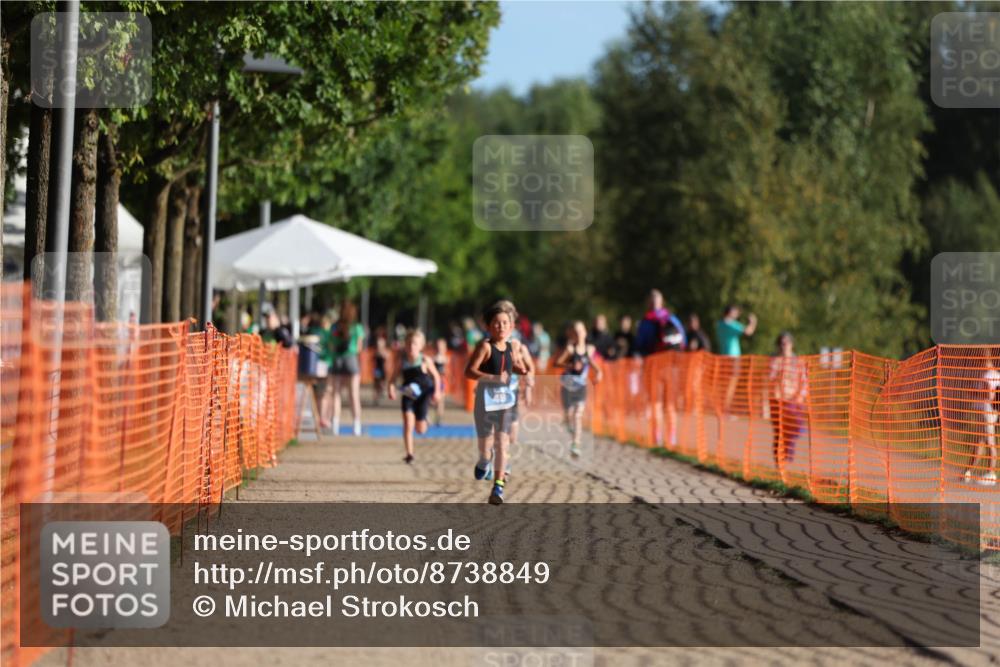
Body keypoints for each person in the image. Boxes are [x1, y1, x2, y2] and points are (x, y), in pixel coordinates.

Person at [464, 300, 529, 505]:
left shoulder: (512, 347)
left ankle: (498, 485)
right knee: (486, 444)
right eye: (496, 323)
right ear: (488, 326)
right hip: (485, 400)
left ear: (511, 327)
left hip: (505, 402)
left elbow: (514, 366)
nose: (501, 326)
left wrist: (522, 370)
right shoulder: (485, 347)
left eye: (505, 323)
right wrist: (493, 378)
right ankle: (484, 460)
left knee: (503, 442)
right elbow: (469, 371)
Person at [388, 330, 442, 464]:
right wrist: (391, 389)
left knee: (420, 430)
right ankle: (409, 454)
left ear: (420, 346)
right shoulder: (402, 362)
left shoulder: (425, 360)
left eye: (415, 344)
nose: (411, 346)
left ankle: (424, 419)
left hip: (423, 396)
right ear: (405, 345)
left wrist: (437, 392)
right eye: (409, 343)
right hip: (408, 395)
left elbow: (436, 377)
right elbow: (392, 379)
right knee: (407, 424)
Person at [555, 320, 603, 457]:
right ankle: (569, 424)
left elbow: (593, 364)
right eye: (576, 332)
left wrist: (599, 373)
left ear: (585, 332)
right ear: (572, 334)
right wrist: (569, 366)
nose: (579, 334)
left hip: (581, 386)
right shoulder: (570, 349)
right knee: (569, 414)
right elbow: (557, 363)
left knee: (578, 415)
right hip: (568, 385)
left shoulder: (589, 349)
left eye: (581, 331)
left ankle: (576, 444)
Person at [768, 332, 807, 472]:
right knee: (779, 432)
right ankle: (780, 462)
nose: (784, 346)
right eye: (782, 343)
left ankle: (787, 453)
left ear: (792, 344)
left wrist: (800, 396)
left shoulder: (798, 361)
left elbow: (804, 382)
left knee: (795, 427)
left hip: (794, 401)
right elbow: (771, 380)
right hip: (778, 401)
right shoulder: (775, 361)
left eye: (787, 343)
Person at [326, 300, 365, 436]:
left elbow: (330, 345)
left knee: (336, 393)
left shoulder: (334, 327)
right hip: (351, 360)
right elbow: (359, 348)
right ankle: (356, 425)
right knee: (354, 394)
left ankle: (335, 424)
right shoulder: (357, 327)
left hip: (337, 360)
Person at [965, 350, 1000, 486]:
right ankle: (967, 471)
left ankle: (991, 473)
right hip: (981, 412)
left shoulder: (991, 375)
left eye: (979, 362)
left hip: (988, 412)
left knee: (989, 441)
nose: (978, 365)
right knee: (978, 443)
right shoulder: (986, 375)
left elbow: (990, 396)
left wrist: (975, 392)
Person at [717, 304, 758, 414]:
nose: (737, 314)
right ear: (730, 312)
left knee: (724, 384)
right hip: (733, 358)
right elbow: (748, 332)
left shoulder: (719, 324)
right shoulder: (730, 324)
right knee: (731, 384)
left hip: (723, 357)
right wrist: (753, 322)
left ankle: (722, 407)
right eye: (735, 312)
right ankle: (725, 409)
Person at [635, 289, 686, 356]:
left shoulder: (646, 322)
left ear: (647, 303)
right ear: (662, 302)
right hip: (675, 357)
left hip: (655, 359)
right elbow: (684, 340)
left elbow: (639, 344)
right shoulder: (672, 318)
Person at [433, 337, 450, 426]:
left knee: (441, 401)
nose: (439, 348)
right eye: (438, 346)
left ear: (444, 347)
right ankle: (429, 415)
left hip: (442, 382)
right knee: (433, 400)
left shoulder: (446, 358)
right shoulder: (433, 358)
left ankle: (439, 418)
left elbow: (448, 371)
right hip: (434, 381)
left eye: (441, 346)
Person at [371, 327, 390, 407]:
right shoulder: (376, 351)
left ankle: (381, 392)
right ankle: (376, 398)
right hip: (377, 369)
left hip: (382, 369)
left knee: (382, 383)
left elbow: (387, 357)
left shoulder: (385, 351)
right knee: (376, 384)